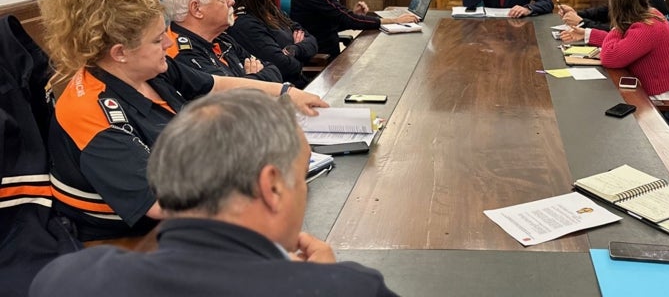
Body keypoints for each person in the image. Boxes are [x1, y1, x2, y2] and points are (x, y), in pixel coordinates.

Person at [39, 0, 327, 244]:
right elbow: (162, 201)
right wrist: (263, 181)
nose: (168, 42)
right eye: (156, 39)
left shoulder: (148, 70)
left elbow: (214, 85)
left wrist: (287, 92)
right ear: (120, 52)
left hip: (187, 210)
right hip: (129, 242)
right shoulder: (90, 114)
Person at [30, 89, 397, 297]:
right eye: (301, 177)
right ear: (271, 187)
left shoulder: (65, 280)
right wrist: (322, 284)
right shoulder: (351, 288)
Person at [162, 0, 282, 82]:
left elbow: (274, 70)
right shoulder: (183, 55)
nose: (232, 1)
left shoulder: (221, 38)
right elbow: (228, 99)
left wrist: (250, 79)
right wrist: (252, 79)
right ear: (197, 9)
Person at [225, 0, 319, 87]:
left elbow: (311, 40)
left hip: (299, 85)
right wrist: (300, 56)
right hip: (282, 95)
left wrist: (293, 50)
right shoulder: (245, 24)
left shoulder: (269, 9)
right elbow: (284, 67)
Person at [593, 0, 669, 101]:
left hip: (666, 105)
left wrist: (617, 25)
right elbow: (627, 42)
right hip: (657, 95)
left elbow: (609, 57)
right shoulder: (651, 14)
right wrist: (588, 34)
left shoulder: (647, 27)